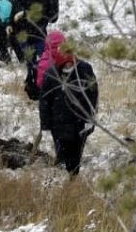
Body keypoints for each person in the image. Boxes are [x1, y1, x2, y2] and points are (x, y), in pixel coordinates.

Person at [38, 38, 98, 177]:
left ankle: (73, 177)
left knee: (76, 153)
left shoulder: (84, 70)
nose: (68, 67)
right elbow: (44, 102)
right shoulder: (51, 75)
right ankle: (63, 175)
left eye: (70, 64)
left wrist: (90, 119)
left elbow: (93, 94)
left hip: (80, 121)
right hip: (58, 123)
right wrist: (45, 126)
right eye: (65, 65)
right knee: (62, 153)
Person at [9, 0, 57, 64]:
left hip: (37, 33)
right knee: (30, 61)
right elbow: (14, 11)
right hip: (23, 33)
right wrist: (10, 24)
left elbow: (42, 13)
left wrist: (24, 14)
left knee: (45, 59)